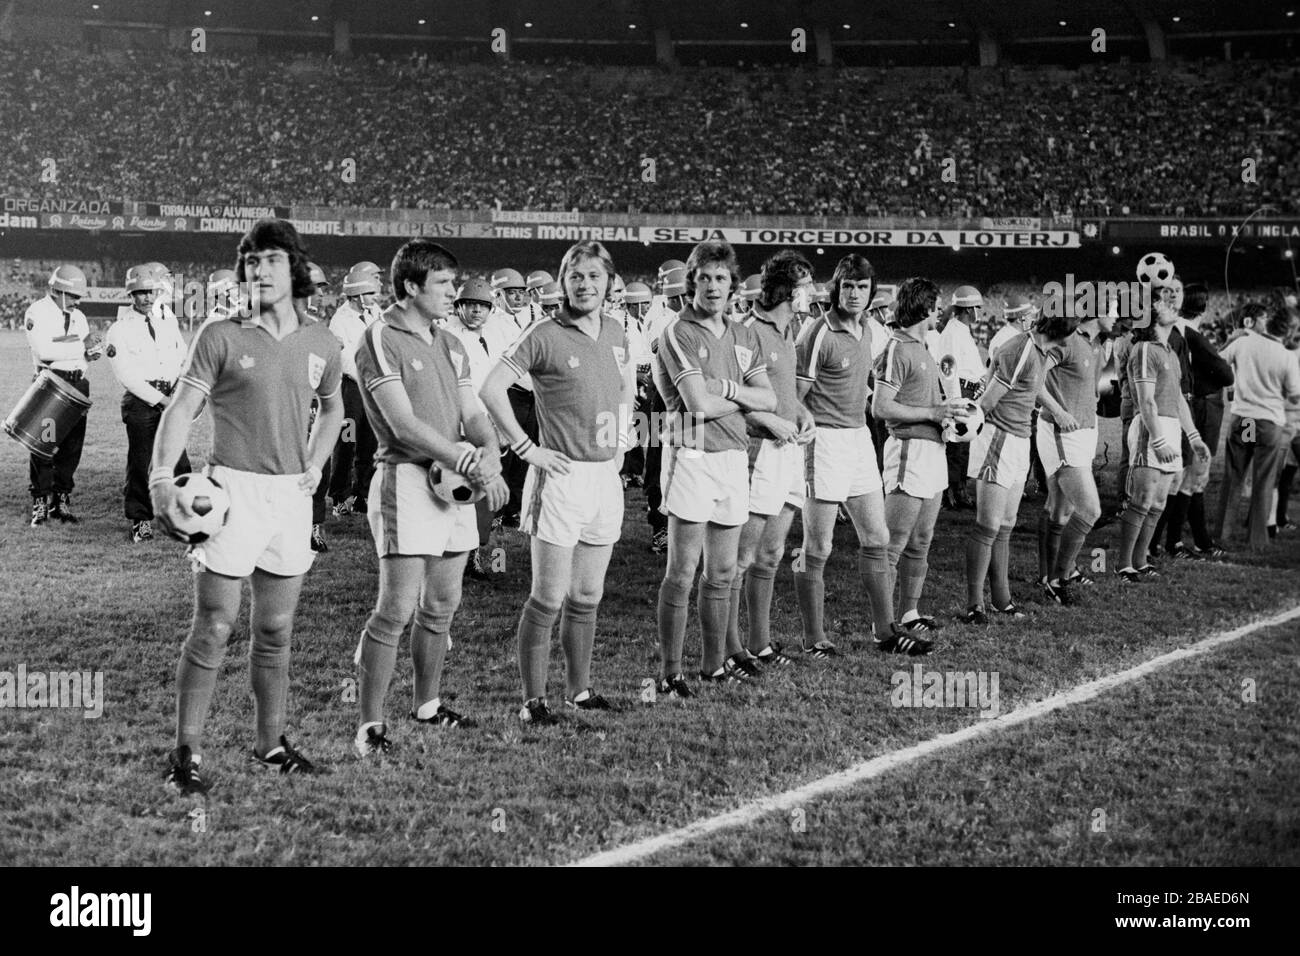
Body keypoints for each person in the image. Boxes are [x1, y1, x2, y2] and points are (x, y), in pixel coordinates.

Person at [150, 219, 344, 794]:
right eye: (251, 261)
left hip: (291, 498)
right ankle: (186, 751)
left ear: (297, 270)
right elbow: (181, 408)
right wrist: (163, 476)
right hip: (230, 495)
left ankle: (270, 744)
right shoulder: (220, 333)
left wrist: (315, 460)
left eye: (271, 260)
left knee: (277, 627)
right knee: (213, 625)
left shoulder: (324, 342)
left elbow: (331, 408)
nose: (259, 270)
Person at [352, 241, 508, 756]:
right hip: (407, 481)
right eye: (443, 285)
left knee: (442, 603)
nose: (454, 294)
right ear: (411, 287)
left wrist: (489, 451)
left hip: (455, 487)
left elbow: (473, 410)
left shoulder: (452, 343)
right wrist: (468, 461)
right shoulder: (379, 336)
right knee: (395, 608)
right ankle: (370, 727)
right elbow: (401, 424)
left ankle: (427, 705)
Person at [481, 241, 636, 723]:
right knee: (547, 596)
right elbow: (490, 388)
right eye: (575, 277)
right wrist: (526, 448)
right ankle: (533, 700)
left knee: (588, 595)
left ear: (609, 282)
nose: (584, 285)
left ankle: (580, 691)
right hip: (560, 477)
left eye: (593, 276)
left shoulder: (617, 330)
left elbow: (625, 386)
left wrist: (623, 439)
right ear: (563, 282)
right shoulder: (544, 332)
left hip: (604, 478)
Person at [653, 240, 776, 695]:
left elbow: (769, 398)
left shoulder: (743, 335)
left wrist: (725, 388)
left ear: (733, 285)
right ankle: (669, 672)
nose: (711, 286)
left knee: (722, 573)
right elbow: (695, 405)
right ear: (692, 283)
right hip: (692, 458)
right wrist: (739, 398)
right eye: (703, 277)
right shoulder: (677, 331)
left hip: (732, 457)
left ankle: (712, 665)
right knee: (682, 573)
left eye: (720, 278)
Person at [793, 253, 894, 655]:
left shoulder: (872, 329)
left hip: (859, 439)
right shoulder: (818, 333)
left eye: (862, 287)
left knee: (878, 536)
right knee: (816, 547)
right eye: (848, 286)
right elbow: (794, 397)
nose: (855, 294)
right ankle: (813, 637)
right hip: (825, 442)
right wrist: (804, 429)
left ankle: (885, 631)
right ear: (836, 288)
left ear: (871, 292)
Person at [727, 251, 817, 672]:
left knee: (772, 554)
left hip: (787, 451)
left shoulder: (788, 331)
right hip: (757, 452)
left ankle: (760, 643)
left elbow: (784, 394)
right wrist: (773, 424)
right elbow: (731, 402)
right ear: (792, 291)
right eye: (807, 285)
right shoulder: (746, 332)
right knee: (739, 559)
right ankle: (730, 648)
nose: (813, 293)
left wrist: (801, 414)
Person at [963, 304, 1078, 623]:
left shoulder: (1038, 351)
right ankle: (974, 604)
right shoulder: (1021, 349)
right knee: (988, 524)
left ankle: (1001, 600)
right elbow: (987, 401)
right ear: (1064, 331)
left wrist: (1057, 411)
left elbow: (1032, 384)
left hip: (1017, 438)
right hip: (999, 438)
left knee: (1006, 523)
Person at [873, 276, 962, 651]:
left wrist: (948, 420)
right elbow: (880, 407)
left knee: (921, 541)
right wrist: (933, 412)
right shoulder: (896, 348)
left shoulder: (924, 346)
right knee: (893, 543)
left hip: (932, 452)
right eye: (936, 306)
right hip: (908, 450)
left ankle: (909, 612)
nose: (939, 313)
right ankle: (884, 625)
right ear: (924, 308)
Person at [1114, 281, 1211, 579]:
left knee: (1157, 502)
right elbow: (1145, 400)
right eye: (1163, 302)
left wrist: (1193, 437)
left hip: (1169, 427)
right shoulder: (1144, 350)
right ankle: (1124, 564)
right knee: (1142, 499)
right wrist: (1157, 438)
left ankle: (1141, 560)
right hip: (1149, 430)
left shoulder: (1169, 350)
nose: (1171, 305)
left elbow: (1180, 399)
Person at [1034, 291, 1113, 605]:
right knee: (1090, 510)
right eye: (1114, 310)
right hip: (1061, 432)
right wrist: (1058, 411)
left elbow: (1097, 388)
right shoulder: (1068, 340)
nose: (1119, 316)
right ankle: (1059, 576)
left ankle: (1049, 574)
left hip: (1083, 432)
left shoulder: (1094, 344)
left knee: (1060, 508)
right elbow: (1034, 378)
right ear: (1097, 311)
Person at [105, 263, 191, 542]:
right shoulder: (119, 329)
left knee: (179, 460)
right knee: (141, 463)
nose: (147, 298)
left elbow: (182, 357)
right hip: (141, 402)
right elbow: (127, 376)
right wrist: (162, 400)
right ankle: (140, 520)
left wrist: (176, 392)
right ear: (131, 295)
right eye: (140, 293)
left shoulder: (169, 321)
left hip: (170, 396)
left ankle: (184, 514)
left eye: (151, 292)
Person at [1211, 301, 1300, 551]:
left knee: (1235, 476)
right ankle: (1257, 540)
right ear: (1290, 331)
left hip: (1245, 419)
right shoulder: (1287, 356)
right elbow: (1295, 396)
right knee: (1263, 481)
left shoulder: (1243, 342)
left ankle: (1223, 533)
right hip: (1269, 422)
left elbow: (1218, 362)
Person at [444, 276, 516, 581]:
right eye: (471, 305)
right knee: (458, 489)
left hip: (490, 422)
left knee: (486, 490)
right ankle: (455, 553)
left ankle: (476, 550)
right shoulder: (447, 335)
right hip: (460, 424)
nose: (477, 311)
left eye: (483, 306)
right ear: (459, 306)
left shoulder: (496, 334)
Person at [24, 265, 101, 527]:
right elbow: (45, 350)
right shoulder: (37, 311)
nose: (78, 301)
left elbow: (77, 351)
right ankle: (41, 501)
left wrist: (89, 355)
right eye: (73, 295)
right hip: (50, 383)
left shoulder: (78, 316)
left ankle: (61, 500)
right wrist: (81, 346)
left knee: (71, 447)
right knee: (44, 446)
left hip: (77, 383)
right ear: (56, 290)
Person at [327, 263, 382, 520]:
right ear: (358, 295)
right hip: (351, 390)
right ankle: (339, 496)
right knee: (346, 443)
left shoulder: (375, 313)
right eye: (370, 293)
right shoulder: (340, 320)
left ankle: (362, 494)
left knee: (370, 444)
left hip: (373, 389)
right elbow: (345, 359)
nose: (375, 298)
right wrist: (370, 376)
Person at [642, 263, 690, 554]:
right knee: (660, 460)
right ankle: (659, 526)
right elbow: (664, 350)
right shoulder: (659, 316)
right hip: (664, 395)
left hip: (687, 396)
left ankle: (682, 524)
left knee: (689, 457)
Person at [932, 285, 986, 510]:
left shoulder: (961, 330)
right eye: (977, 308)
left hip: (969, 390)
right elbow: (948, 366)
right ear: (968, 309)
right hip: (959, 391)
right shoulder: (953, 333)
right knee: (955, 444)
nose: (980, 312)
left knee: (964, 444)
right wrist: (956, 399)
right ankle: (950, 491)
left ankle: (960, 488)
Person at [491, 267, 536, 527]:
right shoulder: (493, 321)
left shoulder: (532, 316)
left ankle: (514, 508)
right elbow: (503, 362)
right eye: (512, 293)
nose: (518, 298)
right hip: (511, 391)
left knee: (525, 451)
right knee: (505, 452)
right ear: (499, 294)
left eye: (521, 293)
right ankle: (496, 508)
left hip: (531, 394)